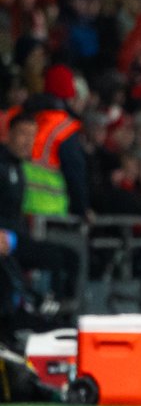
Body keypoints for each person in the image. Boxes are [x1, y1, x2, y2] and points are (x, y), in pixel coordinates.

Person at [0, 112, 80, 342]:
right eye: (23, 134)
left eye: (32, 136)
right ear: (9, 134)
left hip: (17, 240)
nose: (27, 141)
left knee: (69, 257)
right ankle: (35, 307)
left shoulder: (20, 167)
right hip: (7, 241)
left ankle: (56, 308)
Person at [20, 64, 90, 219]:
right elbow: (74, 172)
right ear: (70, 96)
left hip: (20, 210)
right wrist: (82, 209)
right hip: (51, 213)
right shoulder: (64, 127)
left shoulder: (28, 117)